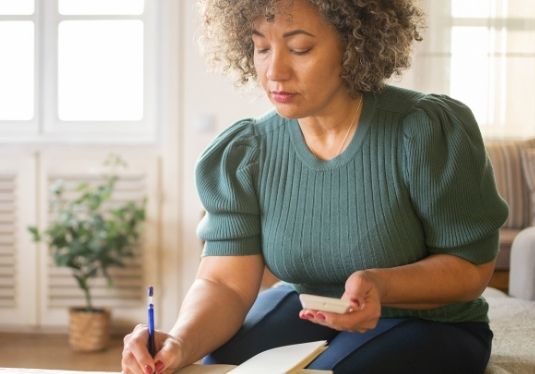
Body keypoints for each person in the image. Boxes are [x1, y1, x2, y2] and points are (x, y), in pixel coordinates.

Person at [122, 0, 508, 372]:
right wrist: (179, 343)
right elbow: (224, 283)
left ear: (355, 45)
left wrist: (381, 285)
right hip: (309, 305)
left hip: (433, 323)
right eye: (260, 47)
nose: (275, 70)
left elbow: (471, 268)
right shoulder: (247, 153)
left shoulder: (424, 130)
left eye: (299, 48)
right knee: (218, 364)